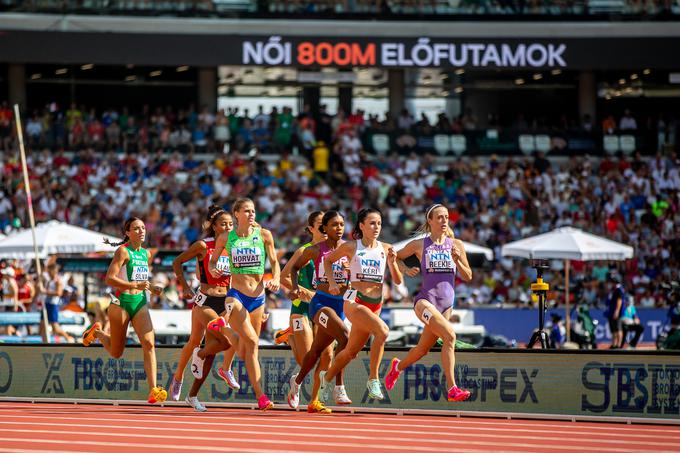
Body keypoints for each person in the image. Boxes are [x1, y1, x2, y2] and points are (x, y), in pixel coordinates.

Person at [386, 204, 472, 402]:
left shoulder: (456, 245)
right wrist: (405, 270)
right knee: (450, 336)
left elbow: (468, 276)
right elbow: (394, 256)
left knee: (422, 349)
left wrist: (458, 261)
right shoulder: (420, 244)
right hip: (425, 301)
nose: (444, 221)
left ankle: (396, 368)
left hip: (447, 306)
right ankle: (452, 388)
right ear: (430, 221)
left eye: (446, 217)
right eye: (439, 217)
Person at [317, 208, 402, 403]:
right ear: (361, 226)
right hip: (354, 300)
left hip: (375, 304)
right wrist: (331, 282)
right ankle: (373, 379)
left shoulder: (387, 248)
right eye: (372, 223)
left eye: (379, 223)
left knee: (350, 352)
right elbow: (328, 261)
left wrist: (393, 263)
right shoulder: (350, 247)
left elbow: (397, 281)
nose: (376, 227)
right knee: (382, 331)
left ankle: (326, 378)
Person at [81, 217, 167, 404]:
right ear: (127, 232)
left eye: (143, 228)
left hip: (140, 302)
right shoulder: (122, 251)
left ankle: (153, 389)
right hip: (121, 302)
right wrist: (133, 284)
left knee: (149, 344)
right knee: (116, 352)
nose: (141, 231)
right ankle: (96, 332)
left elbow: (141, 281)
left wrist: (152, 288)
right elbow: (109, 279)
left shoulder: (146, 254)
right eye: (136, 228)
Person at [205, 197, 279, 411]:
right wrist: (213, 268)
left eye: (253, 211)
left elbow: (274, 262)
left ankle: (260, 398)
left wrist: (275, 278)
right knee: (253, 342)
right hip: (235, 294)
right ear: (236, 214)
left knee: (250, 349)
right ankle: (261, 394)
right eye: (246, 211)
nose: (251, 214)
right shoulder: (226, 238)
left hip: (258, 297)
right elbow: (212, 261)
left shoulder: (264, 235)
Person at [169, 205, 237, 411]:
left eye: (231, 224)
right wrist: (185, 287)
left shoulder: (234, 246)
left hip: (226, 302)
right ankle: (179, 376)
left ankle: (193, 395)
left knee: (215, 349)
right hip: (205, 300)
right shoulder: (202, 245)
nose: (228, 227)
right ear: (214, 227)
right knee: (196, 342)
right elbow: (177, 262)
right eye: (223, 224)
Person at [286, 211, 351, 413]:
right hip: (320, 303)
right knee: (344, 336)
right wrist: (296, 288)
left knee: (316, 352)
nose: (339, 228)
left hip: (341, 305)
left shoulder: (350, 249)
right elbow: (294, 268)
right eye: (334, 225)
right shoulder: (315, 250)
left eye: (341, 224)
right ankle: (339, 387)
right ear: (324, 228)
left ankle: (296, 383)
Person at [39, 263, 73, 342]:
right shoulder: (49, 281)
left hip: (52, 305)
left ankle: (68, 338)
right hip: (46, 304)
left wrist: (45, 292)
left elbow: (59, 293)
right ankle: (44, 343)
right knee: (42, 326)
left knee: (55, 328)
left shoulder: (58, 281)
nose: (48, 272)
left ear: (54, 271)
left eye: (50, 271)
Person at [605, 273, 625, 349]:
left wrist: (616, 311)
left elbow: (619, 301)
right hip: (611, 311)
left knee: (618, 328)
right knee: (613, 329)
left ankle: (619, 345)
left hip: (616, 312)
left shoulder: (619, 290)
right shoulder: (613, 289)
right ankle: (614, 344)